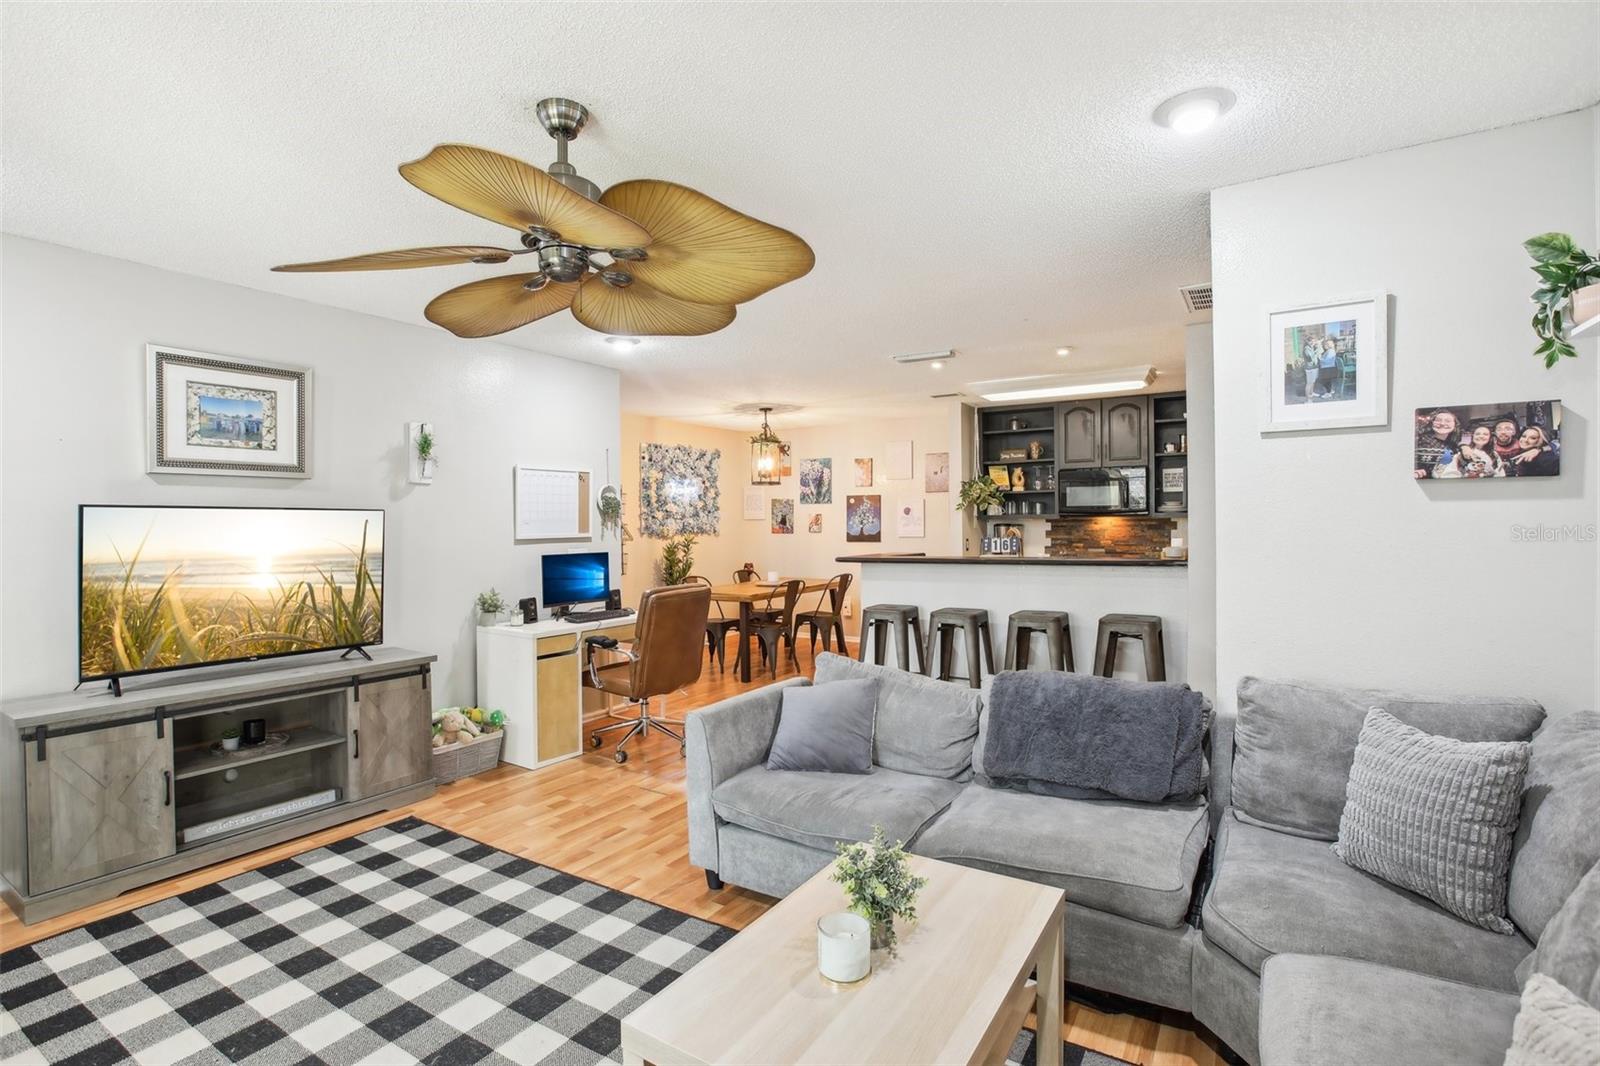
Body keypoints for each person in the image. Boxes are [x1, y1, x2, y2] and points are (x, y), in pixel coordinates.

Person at [1414, 408, 1462, 478]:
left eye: (1448, 421)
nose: (1442, 423)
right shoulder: (1419, 439)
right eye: (1438, 420)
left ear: (1455, 426)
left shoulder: (1453, 445)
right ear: (1432, 423)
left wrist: (1464, 446)